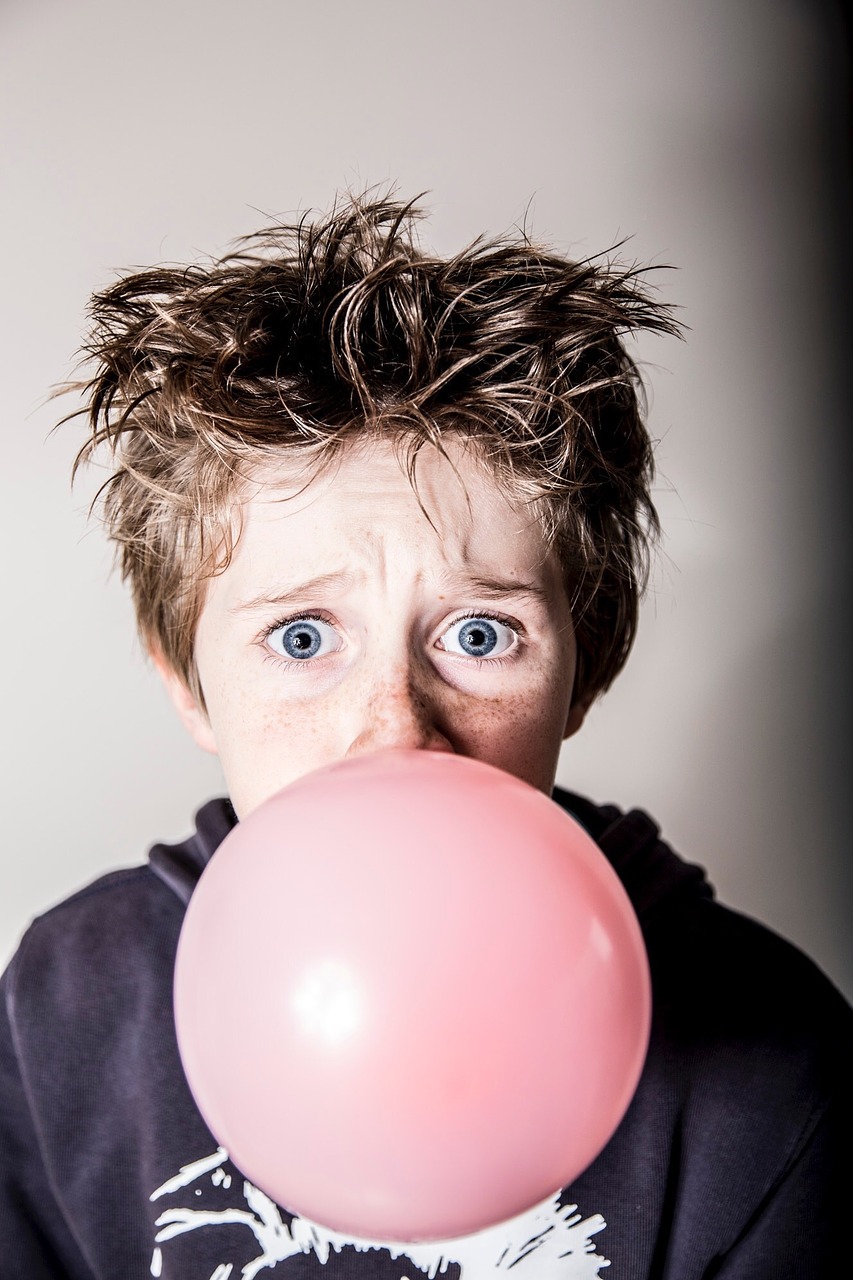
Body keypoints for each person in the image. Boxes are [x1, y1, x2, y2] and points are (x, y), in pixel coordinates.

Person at [1, 194, 849, 1279]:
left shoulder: (776, 1060)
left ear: (583, 668)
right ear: (186, 679)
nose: (395, 726)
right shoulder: (65, 1010)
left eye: (480, 632)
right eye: (302, 636)